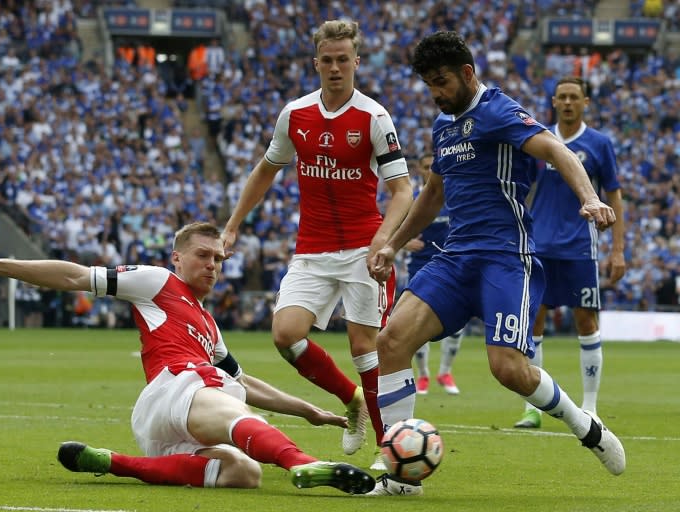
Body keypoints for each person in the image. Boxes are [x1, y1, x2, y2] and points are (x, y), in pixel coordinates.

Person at [368, 32, 625, 496]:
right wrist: (392, 242)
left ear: (467, 73)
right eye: (428, 84)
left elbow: (556, 150)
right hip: (455, 258)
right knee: (391, 341)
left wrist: (588, 198)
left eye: (441, 81)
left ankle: (584, 424)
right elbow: (431, 196)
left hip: (505, 258)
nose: (435, 93)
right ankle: (401, 479)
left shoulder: (499, 111)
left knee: (507, 368)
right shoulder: (443, 125)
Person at [0, 222, 375, 494]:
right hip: (176, 388)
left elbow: (243, 382)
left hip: (175, 422)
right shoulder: (158, 282)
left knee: (244, 473)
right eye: (203, 255)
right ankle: (304, 463)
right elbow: (74, 275)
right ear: (177, 257)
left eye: (218, 259)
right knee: (231, 406)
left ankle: (110, 462)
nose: (212, 265)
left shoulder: (209, 326)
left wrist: (309, 412)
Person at [221, 19, 413, 469]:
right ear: (315, 63)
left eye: (343, 60)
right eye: (327, 60)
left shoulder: (374, 117)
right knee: (285, 335)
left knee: (365, 347)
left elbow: (403, 190)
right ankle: (352, 402)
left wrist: (384, 241)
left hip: (363, 250)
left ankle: (388, 451)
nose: (334, 68)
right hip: (311, 249)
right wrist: (233, 225)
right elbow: (267, 168)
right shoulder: (295, 114)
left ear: (356, 62)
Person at [514, 76, 626, 429]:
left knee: (586, 322)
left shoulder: (599, 144)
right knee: (533, 322)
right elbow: (522, 189)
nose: (567, 102)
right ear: (553, 101)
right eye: (561, 97)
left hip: (581, 248)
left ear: (585, 102)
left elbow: (614, 196)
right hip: (540, 246)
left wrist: (618, 250)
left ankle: (590, 407)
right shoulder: (540, 141)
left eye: (573, 97)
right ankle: (534, 408)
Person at [404, 154, 463, 396]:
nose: (431, 171)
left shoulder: (456, 198)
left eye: (434, 167)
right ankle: (423, 374)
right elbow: (391, 227)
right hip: (420, 266)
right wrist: (406, 242)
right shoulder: (413, 199)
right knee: (417, 323)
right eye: (427, 167)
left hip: (452, 266)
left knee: (457, 325)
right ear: (419, 170)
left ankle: (445, 372)